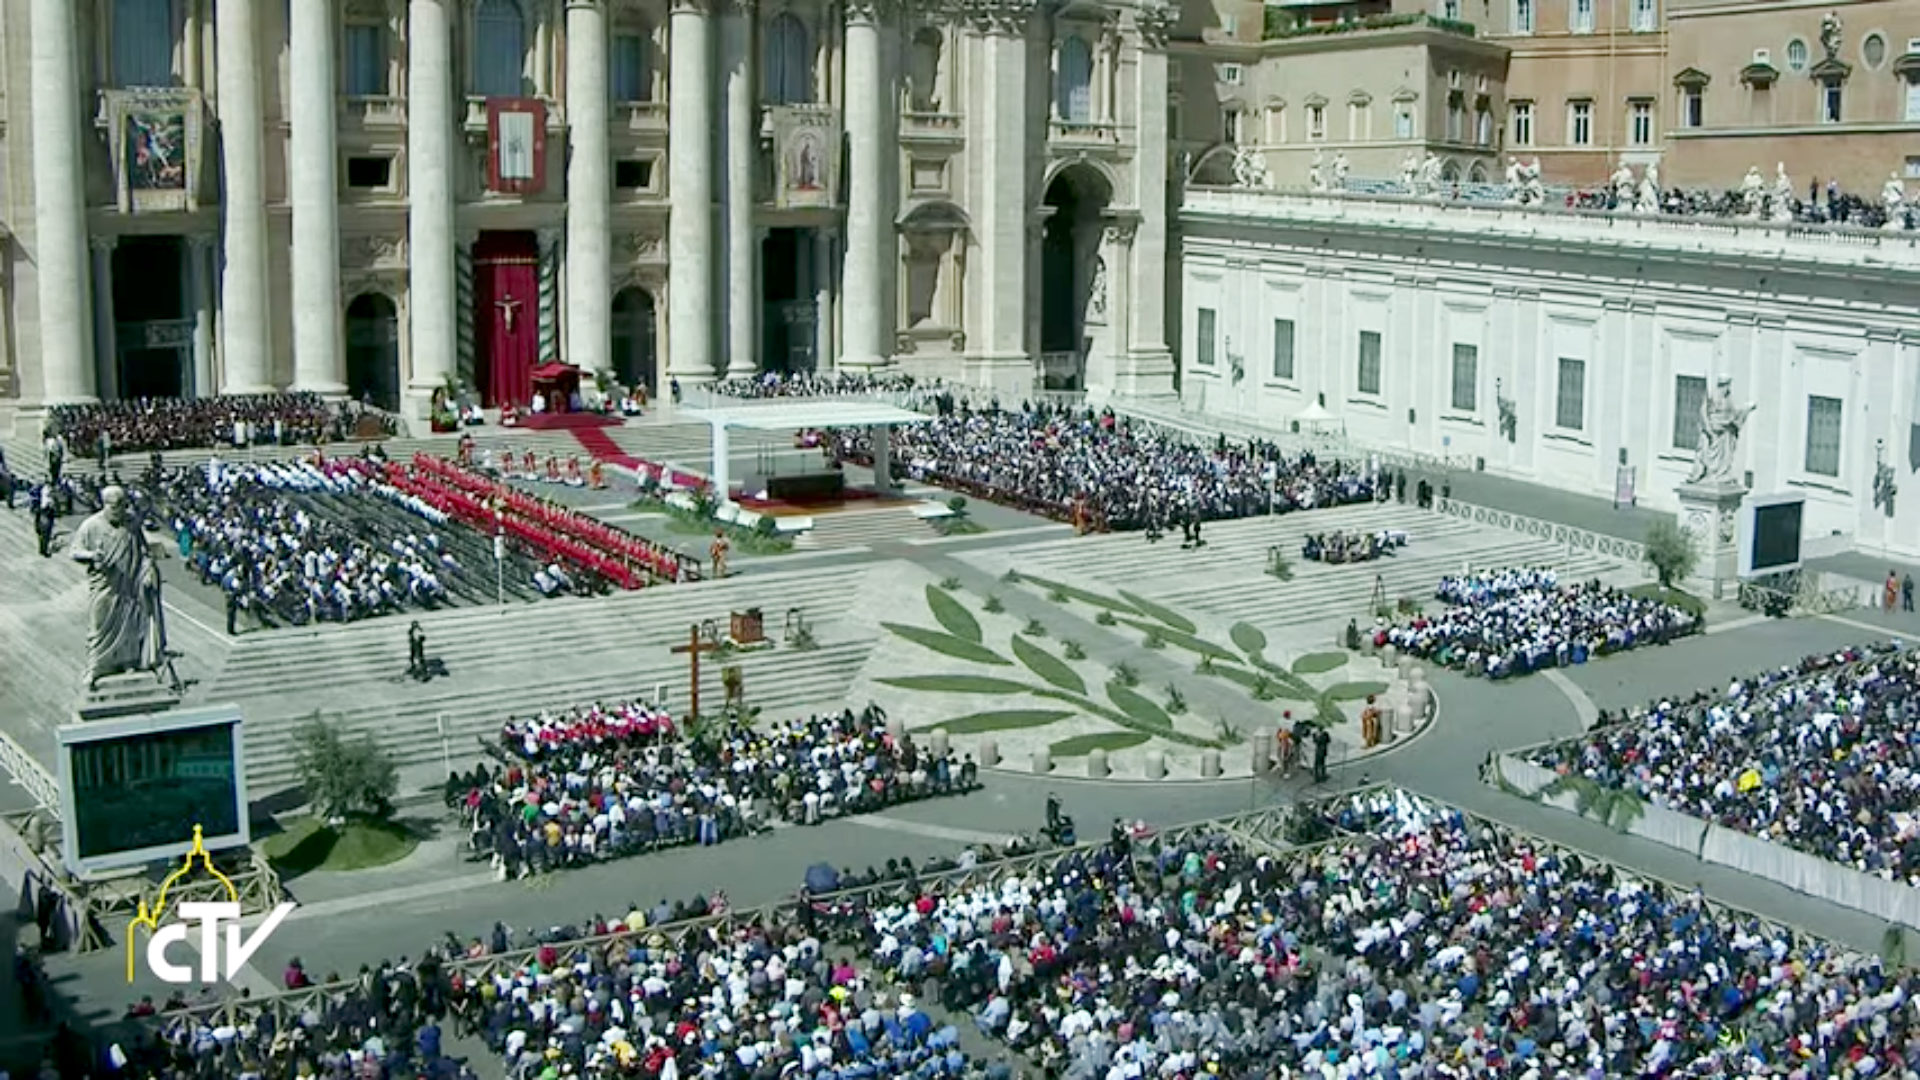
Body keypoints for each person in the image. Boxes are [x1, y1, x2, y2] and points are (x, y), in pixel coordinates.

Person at [69, 486, 163, 689]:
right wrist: (92, 556)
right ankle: (95, 667)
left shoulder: (132, 524)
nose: (118, 510)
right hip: (105, 586)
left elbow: (144, 552)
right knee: (99, 626)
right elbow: (75, 551)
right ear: (105, 505)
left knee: (130, 625)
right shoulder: (90, 526)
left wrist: (147, 571)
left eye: (122, 505)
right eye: (114, 505)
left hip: (129, 587)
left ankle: (127, 661)